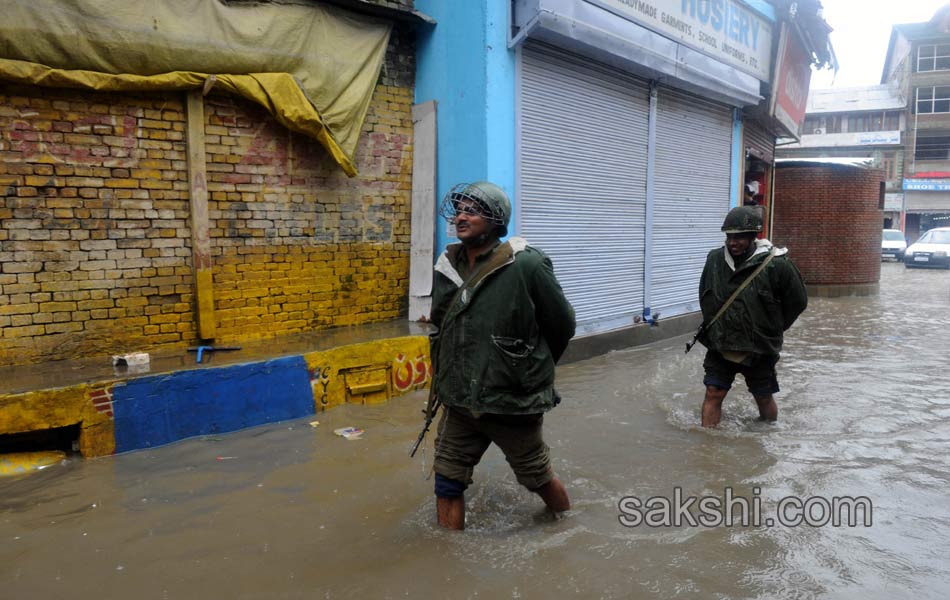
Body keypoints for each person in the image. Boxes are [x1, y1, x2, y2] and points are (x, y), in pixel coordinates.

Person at [426, 181, 576, 530]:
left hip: (510, 401)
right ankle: (449, 561)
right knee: (447, 481)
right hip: (460, 399)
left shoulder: (527, 265)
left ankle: (567, 524)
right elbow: (440, 323)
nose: (461, 217)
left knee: (536, 477)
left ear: (495, 220)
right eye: (459, 210)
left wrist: (525, 367)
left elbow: (562, 325)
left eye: (472, 210)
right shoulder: (447, 263)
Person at [697, 206, 807, 427]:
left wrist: (773, 328)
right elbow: (705, 295)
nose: (732, 242)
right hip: (721, 344)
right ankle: (708, 446)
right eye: (729, 237)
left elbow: (798, 302)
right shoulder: (715, 260)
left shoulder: (777, 265)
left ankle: (767, 432)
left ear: (752, 236)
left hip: (759, 347)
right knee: (713, 392)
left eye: (739, 237)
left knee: (763, 396)